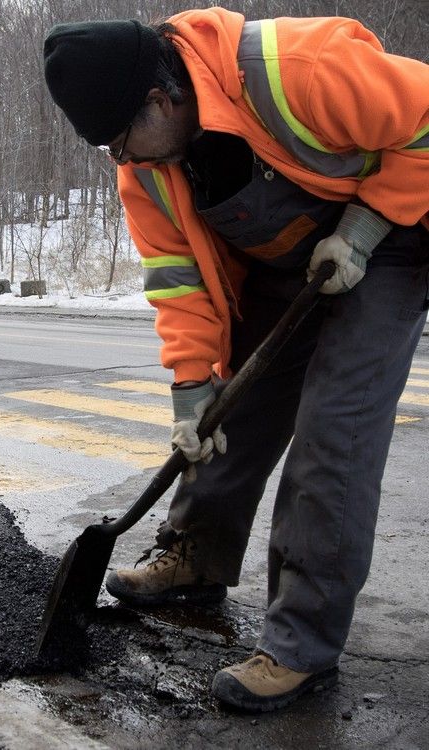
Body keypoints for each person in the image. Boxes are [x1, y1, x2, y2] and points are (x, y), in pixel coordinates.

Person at [43, 9, 429, 712]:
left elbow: (426, 121)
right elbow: (177, 278)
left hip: (391, 245)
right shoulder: (148, 170)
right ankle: (195, 555)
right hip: (282, 265)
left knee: (331, 435)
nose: (122, 162)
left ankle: (300, 644)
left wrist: (366, 226)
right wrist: (192, 390)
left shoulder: (297, 71)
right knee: (232, 410)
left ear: (162, 99)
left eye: (123, 141)